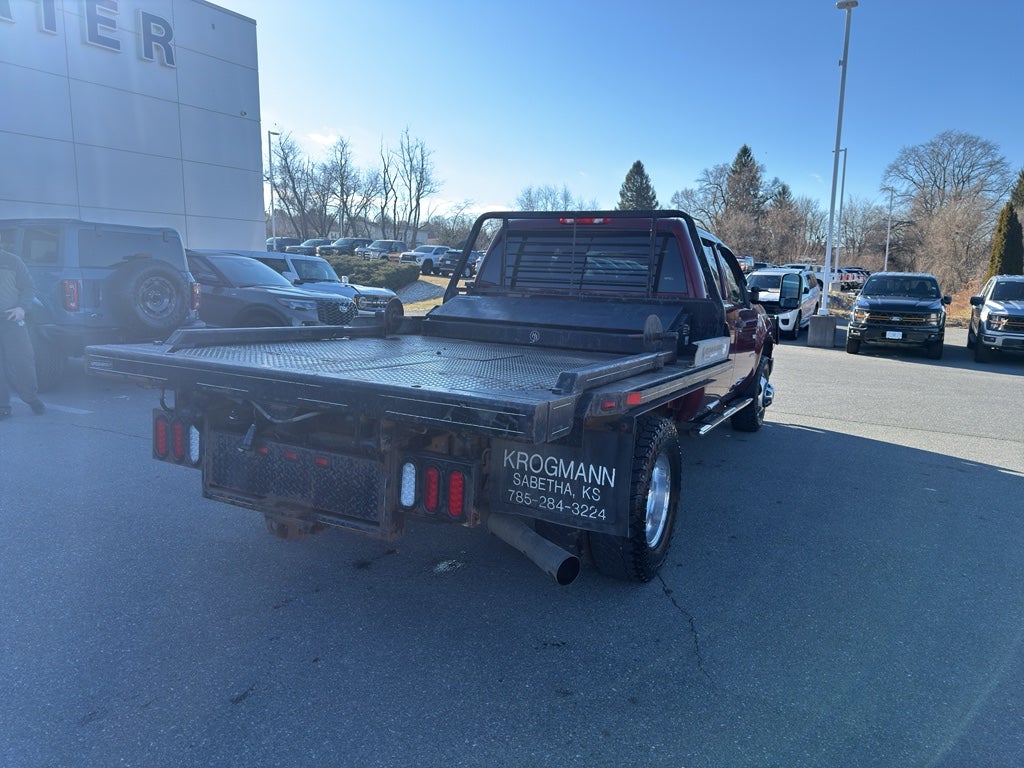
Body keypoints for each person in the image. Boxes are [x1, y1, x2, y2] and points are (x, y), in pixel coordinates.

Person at [0, 247, 45, 419]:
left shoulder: (12, 261)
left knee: (22, 361)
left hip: (11, 318)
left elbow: (28, 287)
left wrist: (22, 307)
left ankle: (31, 398)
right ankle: (3, 406)